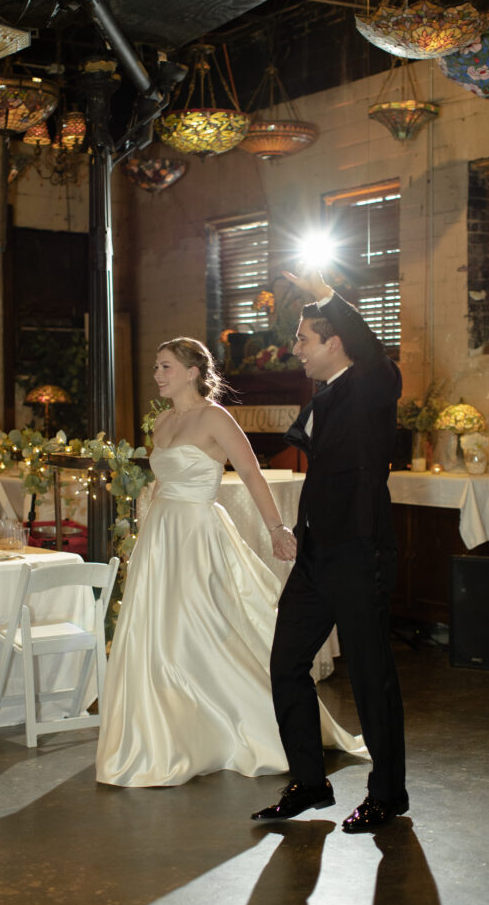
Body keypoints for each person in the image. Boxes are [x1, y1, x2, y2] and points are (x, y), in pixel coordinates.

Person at [95, 336, 368, 787]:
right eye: (157, 367)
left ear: (192, 372)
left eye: (165, 367)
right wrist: (144, 537)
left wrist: (277, 529)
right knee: (157, 632)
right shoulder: (162, 423)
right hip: (161, 537)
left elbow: (251, 473)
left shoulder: (215, 417)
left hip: (198, 534)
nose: (157, 374)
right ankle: (170, 732)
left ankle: (247, 724)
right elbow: (161, 485)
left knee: (203, 627)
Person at [251, 270, 408, 832]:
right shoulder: (325, 394)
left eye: (303, 338)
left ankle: (387, 795)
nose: (295, 349)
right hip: (318, 555)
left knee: (371, 676)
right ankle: (309, 783)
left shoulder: (372, 384)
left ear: (334, 340)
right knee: (286, 663)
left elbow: (372, 350)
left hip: (359, 552)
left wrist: (325, 296)